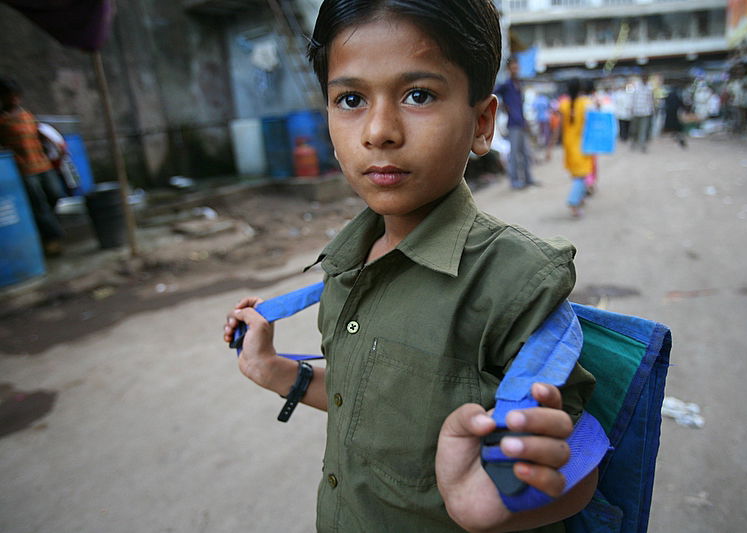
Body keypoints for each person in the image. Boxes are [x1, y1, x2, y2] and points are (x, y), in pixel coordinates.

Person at [223, 1, 598, 531]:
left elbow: (579, 461)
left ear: (481, 122)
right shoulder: (347, 261)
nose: (379, 131)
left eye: (418, 95)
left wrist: (496, 504)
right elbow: (369, 396)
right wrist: (275, 370)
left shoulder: (516, 280)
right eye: (350, 99)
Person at [0, 76, 65, 256]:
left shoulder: (27, 115)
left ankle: (47, 228)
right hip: (24, 169)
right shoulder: (2, 121)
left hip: (43, 163)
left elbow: (38, 134)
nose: (14, 99)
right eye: (9, 95)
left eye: (16, 95)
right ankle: (53, 238)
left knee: (55, 193)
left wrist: (52, 143)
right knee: (39, 204)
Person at [495, 57, 536, 189]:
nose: (515, 69)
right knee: (514, 154)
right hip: (513, 124)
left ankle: (528, 179)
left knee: (525, 153)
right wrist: (502, 106)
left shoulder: (518, 84)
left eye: (516, 66)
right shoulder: (506, 84)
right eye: (513, 67)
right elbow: (493, 92)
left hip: (521, 123)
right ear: (509, 69)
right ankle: (514, 181)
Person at [556, 79, 593, 218]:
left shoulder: (563, 104)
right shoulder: (585, 103)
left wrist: (550, 146)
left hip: (569, 145)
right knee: (581, 176)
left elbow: (558, 128)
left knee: (577, 174)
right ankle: (573, 203)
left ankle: (581, 198)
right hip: (582, 145)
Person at [630, 75, 654, 153]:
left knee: (643, 129)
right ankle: (634, 142)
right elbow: (632, 98)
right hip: (636, 112)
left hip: (646, 112)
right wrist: (631, 108)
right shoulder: (636, 87)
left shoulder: (650, 88)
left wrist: (652, 110)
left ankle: (642, 145)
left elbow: (651, 100)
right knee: (635, 129)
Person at [663, 84, 688, 148]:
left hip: (671, 114)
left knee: (673, 126)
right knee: (676, 126)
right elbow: (681, 104)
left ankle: (675, 135)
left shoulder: (670, 95)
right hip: (674, 114)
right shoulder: (677, 95)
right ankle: (676, 135)